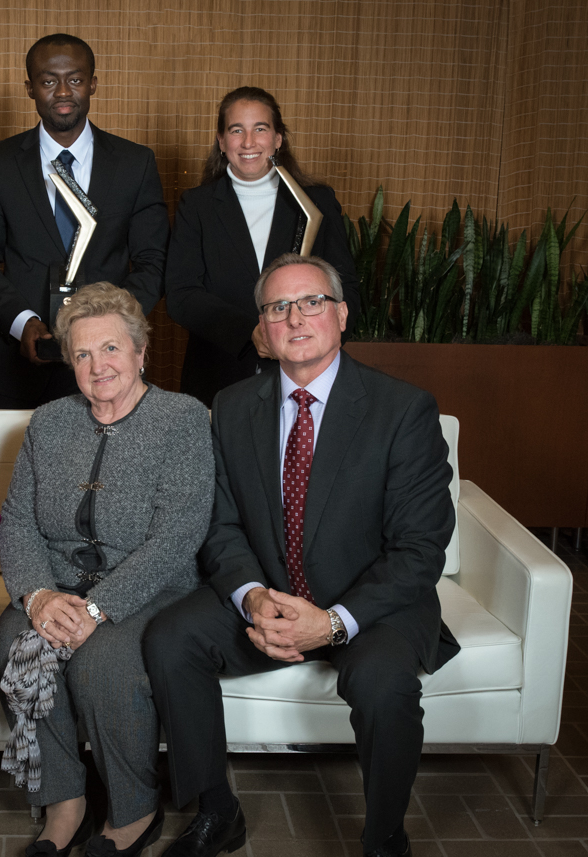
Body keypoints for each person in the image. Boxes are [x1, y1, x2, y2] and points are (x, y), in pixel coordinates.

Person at [144, 254, 458, 857]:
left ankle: (385, 837)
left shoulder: (404, 410)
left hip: (374, 608)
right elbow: (221, 524)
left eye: (311, 301)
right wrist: (254, 597)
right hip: (272, 596)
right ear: (262, 327)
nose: (295, 317)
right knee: (171, 637)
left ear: (340, 315)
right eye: (277, 307)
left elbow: (420, 550)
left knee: (383, 680)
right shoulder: (232, 407)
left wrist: (331, 623)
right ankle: (217, 809)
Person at [0, 282, 214, 857]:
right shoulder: (49, 422)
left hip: (151, 590)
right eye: (83, 354)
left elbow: (177, 538)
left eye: (112, 349)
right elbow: (16, 523)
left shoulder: (182, 418)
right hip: (57, 587)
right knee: (18, 640)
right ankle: (65, 805)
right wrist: (38, 596)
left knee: (106, 661)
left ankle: (134, 808)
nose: (99, 366)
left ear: (141, 352)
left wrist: (97, 608)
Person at [0, 33, 169, 409]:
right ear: (30, 88)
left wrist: (111, 329)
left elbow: (154, 263)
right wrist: (21, 321)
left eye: (74, 79)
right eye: (48, 81)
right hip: (23, 366)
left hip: (112, 367)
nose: (62, 92)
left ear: (93, 83)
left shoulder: (135, 163)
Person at [165, 86, 362, 408]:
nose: (248, 142)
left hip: (307, 376)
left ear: (278, 138)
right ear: (221, 141)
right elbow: (181, 294)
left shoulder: (316, 203)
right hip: (219, 377)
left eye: (260, 129)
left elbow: (347, 292)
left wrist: (309, 344)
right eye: (236, 130)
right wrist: (250, 334)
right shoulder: (197, 205)